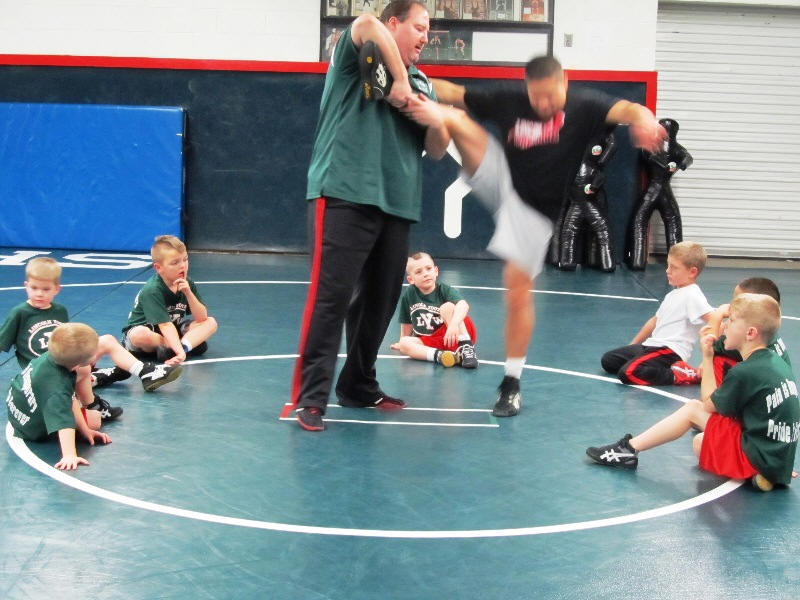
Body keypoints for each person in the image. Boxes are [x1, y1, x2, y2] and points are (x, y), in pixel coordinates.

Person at [398, 55, 665, 417]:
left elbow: (629, 109)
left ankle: (511, 382)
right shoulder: (509, 99)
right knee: (453, 116)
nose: (542, 104)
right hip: (502, 178)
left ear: (564, 83)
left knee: (517, 290)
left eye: (550, 96)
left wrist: (646, 119)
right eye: (536, 97)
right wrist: (408, 80)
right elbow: (452, 91)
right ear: (527, 89)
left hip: (533, 214)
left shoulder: (585, 105)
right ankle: (429, 125)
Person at [292, 0, 449, 432]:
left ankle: (358, 384)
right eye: (419, 27)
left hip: (397, 203)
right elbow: (364, 23)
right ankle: (311, 397)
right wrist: (396, 80)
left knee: (379, 304)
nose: (425, 37)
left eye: (429, 31)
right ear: (393, 23)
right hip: (344, 193)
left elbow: (436, 150)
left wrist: (435, 118)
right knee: (331, 299)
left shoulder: (424, 83)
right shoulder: (357, 53)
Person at [587, 294, 799, 492]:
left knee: (693, 410)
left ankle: (628, 449)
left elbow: (707, 404)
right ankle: (763, 473)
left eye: (731, 321)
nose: (725, 326)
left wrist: (707, 357)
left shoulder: (745, 371)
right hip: (778, 458)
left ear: (750, 333)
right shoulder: (776, 361)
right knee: (701, 441)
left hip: (758, 455)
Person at [0, 258, 182, 423]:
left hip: (66, 364)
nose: (39, 294)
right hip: (43, 375)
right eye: (34, 288)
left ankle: (144, 373)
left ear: (57, 289)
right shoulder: (20, 313)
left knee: (107, 341)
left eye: (45, 289)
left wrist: (84, 353)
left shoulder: (59, 311)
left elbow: (69, 341)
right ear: (26, 286)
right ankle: (94, 391)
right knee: (92, 415)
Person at [601, 241, 713, 386]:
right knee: (609, 360)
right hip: (651, 346)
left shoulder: (693, 295)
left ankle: (678, 375)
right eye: (668, 265)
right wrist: (633, 345)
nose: (667, 270)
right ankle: (662, 368)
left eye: (674, 267)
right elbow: (654, 321)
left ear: (692, 272)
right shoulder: (673, 294)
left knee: (628, 372)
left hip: (669, 351)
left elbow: (713, 318)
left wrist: (708, 359)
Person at [6, 323, 112, 470]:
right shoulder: (57, 389)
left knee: (82, 375)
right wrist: (70, 455)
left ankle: (90, 404)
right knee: (95, 420)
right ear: (77, 364)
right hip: (29, 428)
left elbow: (69, 397)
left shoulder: (52, 357)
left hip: (20, 404)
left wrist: (85, 430)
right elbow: (64, 423)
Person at [122, 235, 218, 367]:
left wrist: (188, 293)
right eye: (175, 263)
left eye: (185, 259)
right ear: (158, 268)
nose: (182, 266)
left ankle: (179, 347)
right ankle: (182, 345)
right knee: (140, 335)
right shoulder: (153, 289)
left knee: (211, 322)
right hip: (150, 333)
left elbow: (202, 317)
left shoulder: (187, 283)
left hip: (174, 329)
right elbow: (165, 325)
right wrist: (181, 352)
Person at [390, 252, 478, 368]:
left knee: (448, 307)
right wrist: (401, 341)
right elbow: (407, 321)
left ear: (436, 271)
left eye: (428, 269)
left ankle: (466, 347)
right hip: (433, 340)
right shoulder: (409, 294)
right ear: (411, 279)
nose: (425, 274)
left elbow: (463, 305)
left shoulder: (443, 290)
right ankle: (442, 356)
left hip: (456, 333)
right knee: (404, 343)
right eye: (419, 272)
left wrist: (453, 325)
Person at [701, 277, 790, 386]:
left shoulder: (748, 341)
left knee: (717, 359)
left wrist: (718, 315)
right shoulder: (766, 332)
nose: (731, 306)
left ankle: (720, 392)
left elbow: (708, 344)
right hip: (777, 387)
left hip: (761, 388)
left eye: (738, 301)